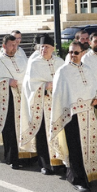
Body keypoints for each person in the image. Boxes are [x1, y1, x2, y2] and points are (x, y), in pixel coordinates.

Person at [49, 43, 97, 192]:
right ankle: (76, 179)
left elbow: (95, 88)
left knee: (88, 147)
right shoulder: (63, 71)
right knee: (76, 148)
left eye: (76, 52)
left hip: (88, 114)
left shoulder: (88, 70)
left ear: (83, 53)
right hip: (72, 116)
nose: (73, 55)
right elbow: (58, 96)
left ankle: (88, 175)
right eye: (71, 52)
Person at [0, 34, 32, 168]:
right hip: (7, 100)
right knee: (11, 129)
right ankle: (12, 158)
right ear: (4, 46)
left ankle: (25, 156)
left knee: (24, 125)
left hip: (22, 98)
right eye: (11, 45)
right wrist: (6, 82)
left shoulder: (21, 59)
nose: (14, 47)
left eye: (16, 45)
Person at [20, 34, 64, 175]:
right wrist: (45, 86)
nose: (43, 49)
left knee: (58, 133)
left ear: (52, 49)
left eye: (46, 47)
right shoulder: (34, 63)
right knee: (43, 134)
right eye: (42, 47)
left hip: (57, 104)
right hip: (42, 104)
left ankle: (59, 162)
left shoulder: (60, 62)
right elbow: (29, 84)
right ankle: (45, 164)